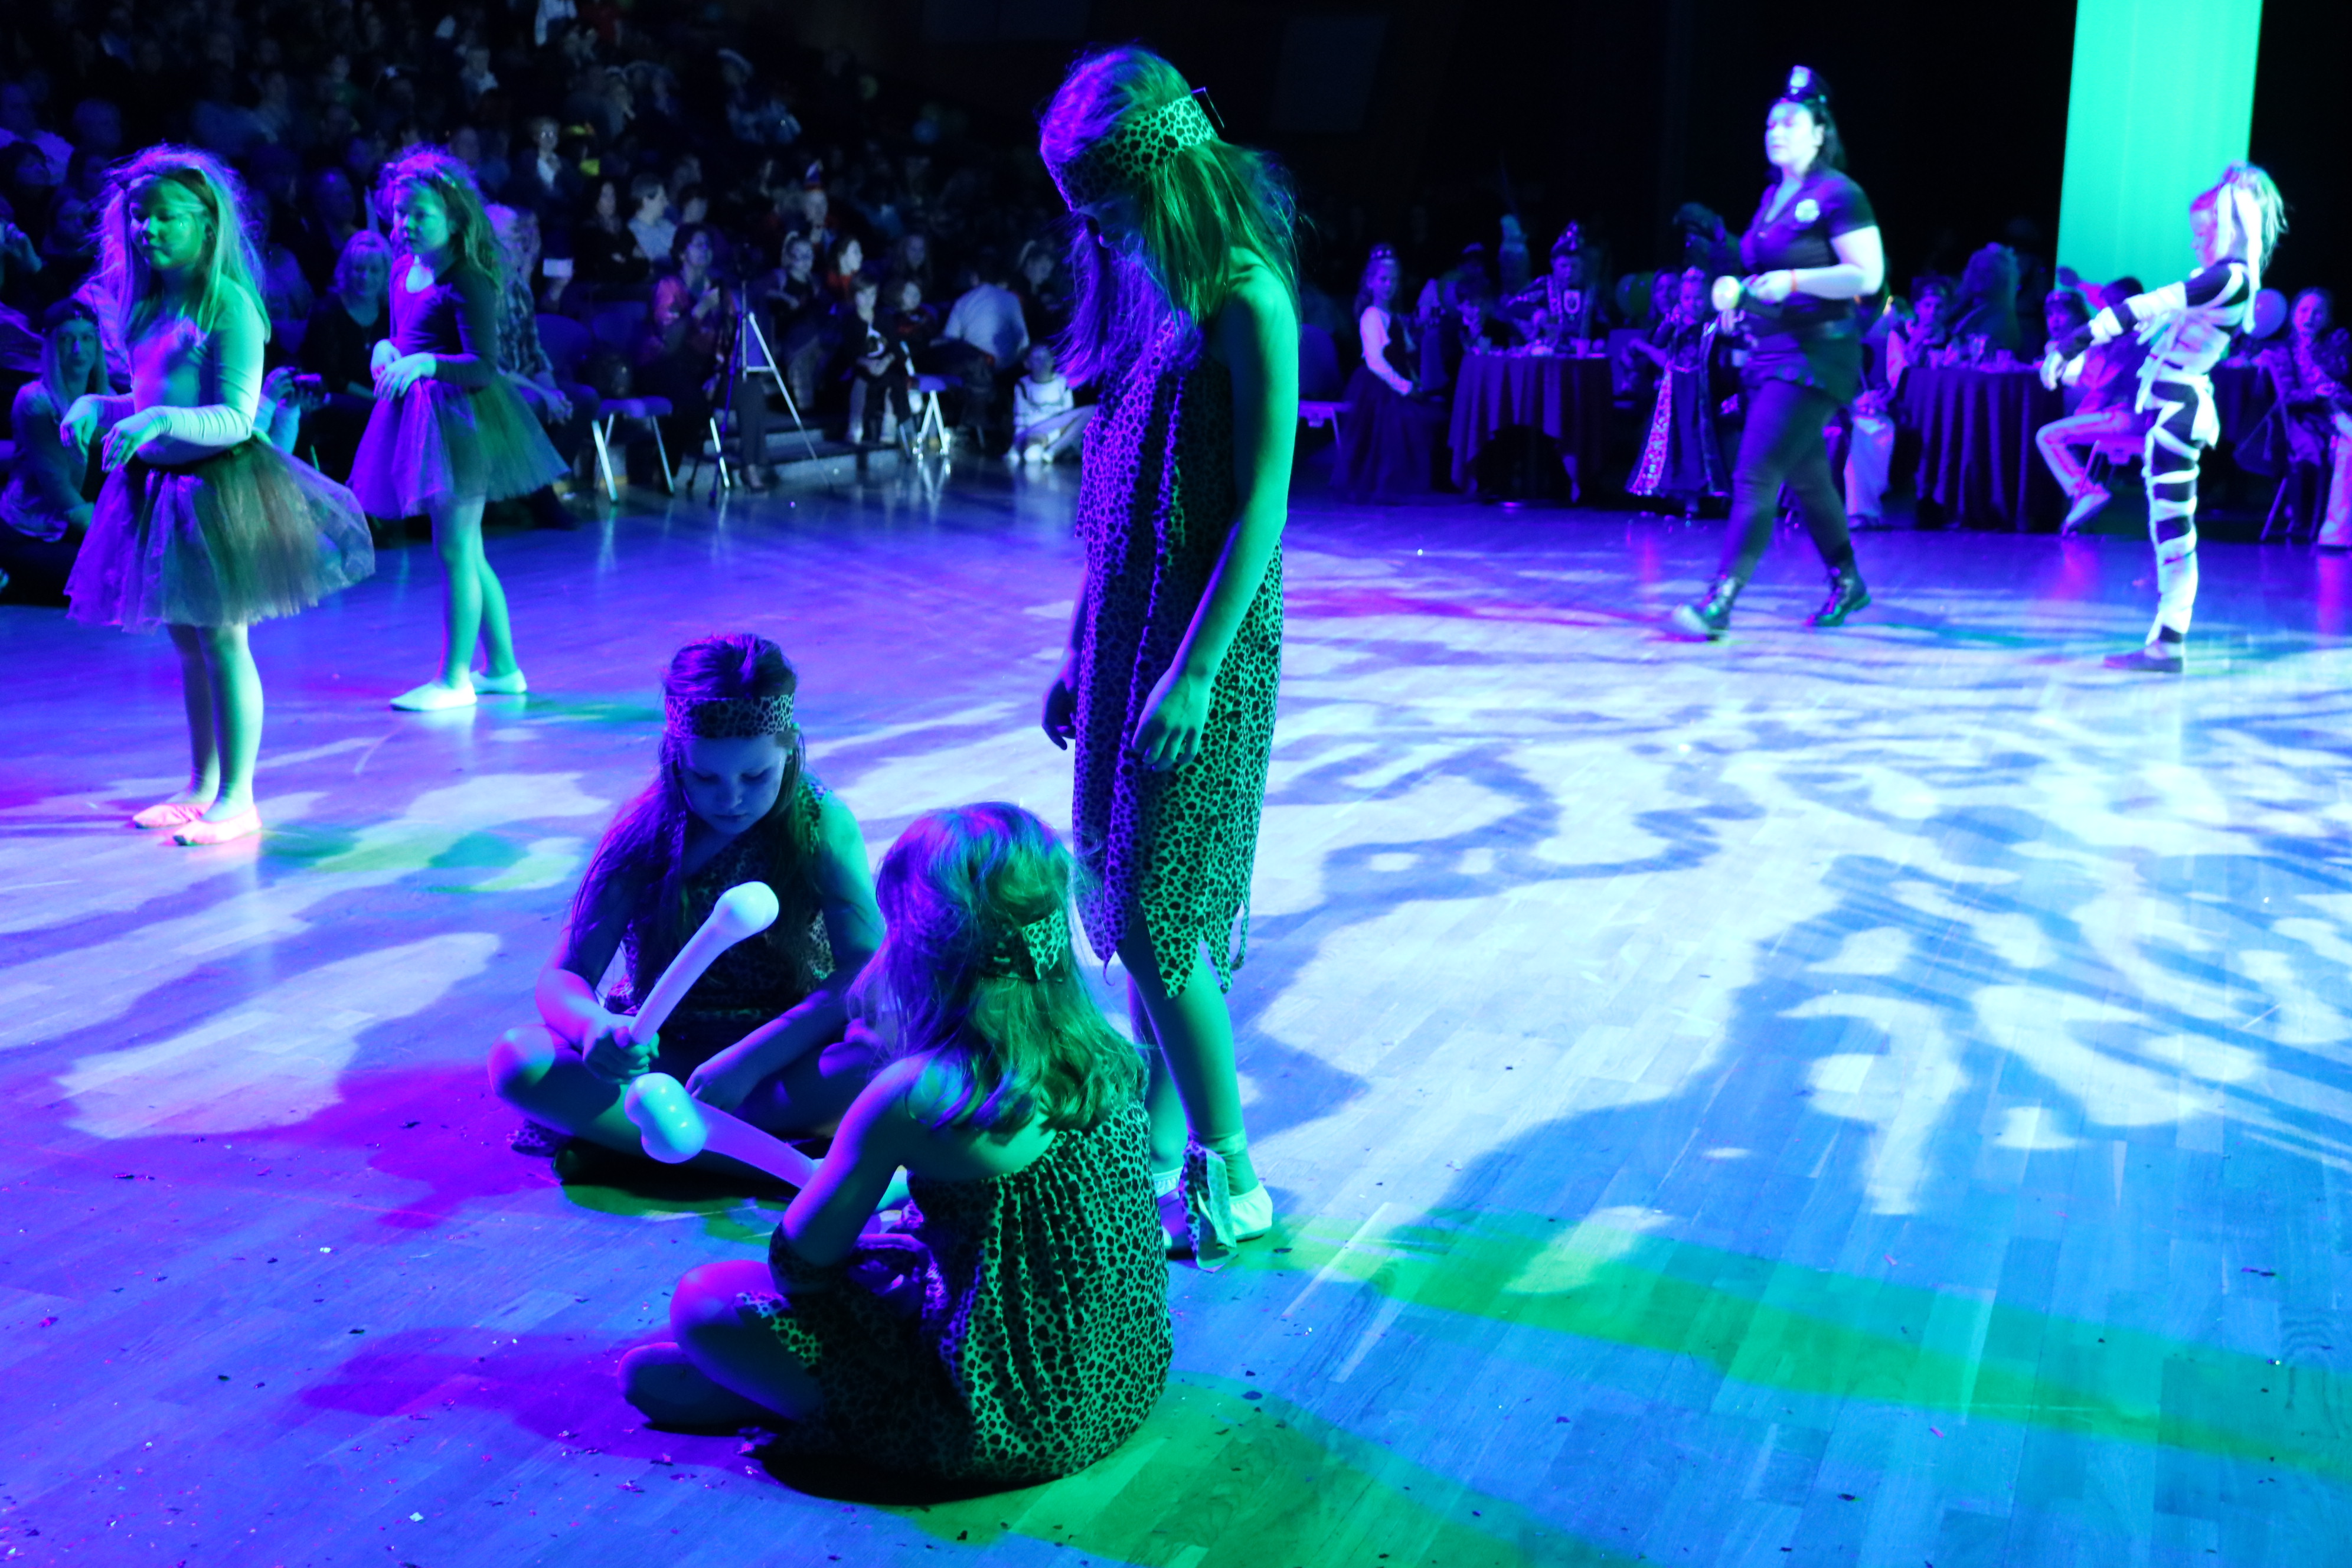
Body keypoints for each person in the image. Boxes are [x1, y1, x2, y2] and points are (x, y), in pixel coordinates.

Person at [618, 803, 1170, 1491]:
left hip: (989, 1422)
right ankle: (787, 1393)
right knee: (663, 1370)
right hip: (1118, 1382)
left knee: (702, 1303)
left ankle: (825, 1408)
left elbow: (798, 1264)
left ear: (920, 952)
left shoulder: (914, 1095)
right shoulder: (1109, 1056)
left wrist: (856, 1205)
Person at [1036, 48, 1296, 1261]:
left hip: (1205, 639)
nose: (1094, 232)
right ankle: (1147, 1138)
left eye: (1105, 207)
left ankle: (1229, 1170)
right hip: (1127, 627)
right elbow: (1111, 503)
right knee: (1122, 869)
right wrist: (1076, 646)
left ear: (1162, 179)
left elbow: (1260, 504)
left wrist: (1193, 671)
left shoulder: (1248, 297)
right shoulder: (1148, 294)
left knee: (1155, 908)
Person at [59, 146, 374, 845]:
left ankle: (240, 796)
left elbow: (234, 417)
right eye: (137, 216)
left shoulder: (229, 303)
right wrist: (99, 408)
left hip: (218, 489)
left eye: (164, 216)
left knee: (225, 640)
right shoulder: (147, 304)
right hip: (159, 492)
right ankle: (201, 785)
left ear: (206, 223)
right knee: (188, 642)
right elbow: (150, 400)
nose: (147, 229)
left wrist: (157, 422)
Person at [489, 633, 886, 1170]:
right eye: (705, 776)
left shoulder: (823, 823)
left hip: (786, 1056)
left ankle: (671, 1138)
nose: (731, 798)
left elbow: (864, 970)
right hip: (666, 1057)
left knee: (894, 1059)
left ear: (790, 747)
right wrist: (591, 1028)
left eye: (756, 775)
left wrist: (751, 1059)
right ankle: (783, 1167)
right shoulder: (645, 829)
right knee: (520, 1060)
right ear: (676, 755)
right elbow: (565, 974)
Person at [347, 147, 566, 710]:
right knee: (467, 549)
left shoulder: (468, 278)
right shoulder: (403, 269)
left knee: (455, 550)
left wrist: (425, 363)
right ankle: (504, 669)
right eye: (400, 212)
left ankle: (454, 679)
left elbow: (484, 366)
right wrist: (386, 349)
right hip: (423, 415)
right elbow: (404, 334)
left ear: (454, 217)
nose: (406, 224)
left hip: (463, 422)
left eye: (420, 213)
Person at [1671, 67, 1884, 639]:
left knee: (1756, 472)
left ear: (1820, 132)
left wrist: (1793, 282)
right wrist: (1739, 296)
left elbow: (1867, 276)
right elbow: (1765, 274)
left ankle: (1720, 601)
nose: (1777, 131)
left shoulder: (1839, 193)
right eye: (1771, 123)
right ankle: (1848, 581)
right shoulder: (1773, 196)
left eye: (1791, 122)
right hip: (1771, 352)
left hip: (1817, 355)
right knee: (1809, 477)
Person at [2044, 163, 2284, 671]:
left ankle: (2167, 643)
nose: (2195, 243)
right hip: (2172, 411)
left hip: (2179, 413)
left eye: (2203, 233)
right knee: (2171, 533)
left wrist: (2071, 344)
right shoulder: (2225, 279)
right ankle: (2166, 641)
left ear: (2228, 228)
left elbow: (2143, 307)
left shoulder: (2229, 279)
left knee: (2175, 535)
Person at [485, 204, 592, 521]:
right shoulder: (479, 290)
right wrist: (545, 394)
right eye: (513, 236)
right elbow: (495, 367)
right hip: (492, 385)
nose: (522, 244)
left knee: (582, 400)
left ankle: (539, 488)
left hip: (525, 380)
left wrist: (553, 391)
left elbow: (534, 351)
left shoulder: (519, 288)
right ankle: (535, 495)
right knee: (534, 402)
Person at [0, 299, 109, 602]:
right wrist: (111, 539)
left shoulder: (105, 398)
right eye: (66, 340)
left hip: (71, 529)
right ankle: (10, 579)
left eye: (87, 338)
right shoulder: (36, 402)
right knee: (104, 581)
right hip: (29, 532)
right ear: (51, 347)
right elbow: (59, 487)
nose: (78, 349)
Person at [2034, 282, 2150, 533]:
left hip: (2125, 417)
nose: (2103, 311)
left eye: (2109, 305)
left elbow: (2101, 387)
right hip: (2126, 415)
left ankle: (2086, 491)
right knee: (2062, 431)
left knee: (2048, 436)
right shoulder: (2129, 340)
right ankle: (2084, 495)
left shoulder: (2125, 343)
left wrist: (2079, 415)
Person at [1334, 243, 1442, 504]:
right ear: (1370, 282)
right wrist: (1406, 387)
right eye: (1383, 279)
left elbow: (1406, 353)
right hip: (1380, 388)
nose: (1389, 285)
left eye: (1393, 280)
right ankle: (1392, 480)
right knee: (1401, 424)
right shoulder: (1372, 316)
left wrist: (1415, 379)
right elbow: (1376, 361)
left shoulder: (1392, 316)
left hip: (1398, 381)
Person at [2248, 288, 2352, 546]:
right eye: (2304, 310)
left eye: (2318, 312)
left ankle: (2337, 530)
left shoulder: (2333, 346)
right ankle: (2335, 532)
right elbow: (2288, 396)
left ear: (2327, 319)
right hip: (2309, 419)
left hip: (2341, 409)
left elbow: (2343, 377)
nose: (2310, 317)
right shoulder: (2282, 351)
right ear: (2293, 314)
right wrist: (2316, 393)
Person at [1627, 266, 1729, 515]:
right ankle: (1669, 492)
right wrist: (1668, 324)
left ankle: (1696, 497)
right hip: (1672, 393)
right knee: (1670, 443)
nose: (1693, 304)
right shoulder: (1675, 325)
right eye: (1687, 298)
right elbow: (1658, 344)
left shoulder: (1712, 327)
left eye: (1699, 298)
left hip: (1700, 395)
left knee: (1695, 442)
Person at [294, 230, 391, 483]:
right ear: (346, 270)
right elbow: (333, 379)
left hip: (376, 396)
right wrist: (378, 399)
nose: (366, 277)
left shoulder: (388, 313)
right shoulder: (328, 311)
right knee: (371, 416)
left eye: (374, 270)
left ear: (386, 274)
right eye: (359, 269)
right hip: (329, 397)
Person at [1011, 341, 1090, 463]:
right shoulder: (1023, 385)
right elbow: (1020, 420)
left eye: (1047, 357)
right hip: (1034, 431)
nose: (1043, 363)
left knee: (1091, 412)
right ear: (1027, 363)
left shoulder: (1063, 382)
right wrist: (1018, 443)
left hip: (1058, 430)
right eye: (1037, 359)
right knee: (1032, 456)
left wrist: (1054, 434)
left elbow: (1069, 416)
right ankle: (1050, 448)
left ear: (1053, 360)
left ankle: (1053, 450)